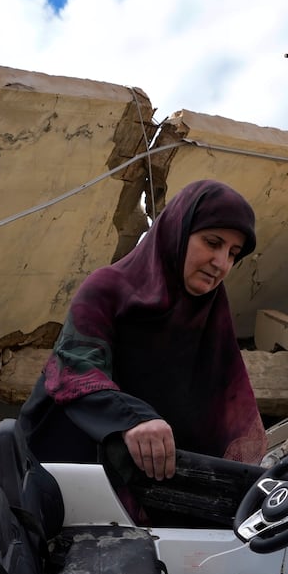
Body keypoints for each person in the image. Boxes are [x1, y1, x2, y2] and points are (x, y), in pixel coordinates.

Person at [18, 179, 266, 483]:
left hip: (159, 480)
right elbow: (74, 368)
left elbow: (223, 397)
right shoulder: (108, 288)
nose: (221, 263)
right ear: (178, 231)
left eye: (233, 253)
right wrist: (133, 420)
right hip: (76, 471)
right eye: (213, 243)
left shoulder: (211, 310)